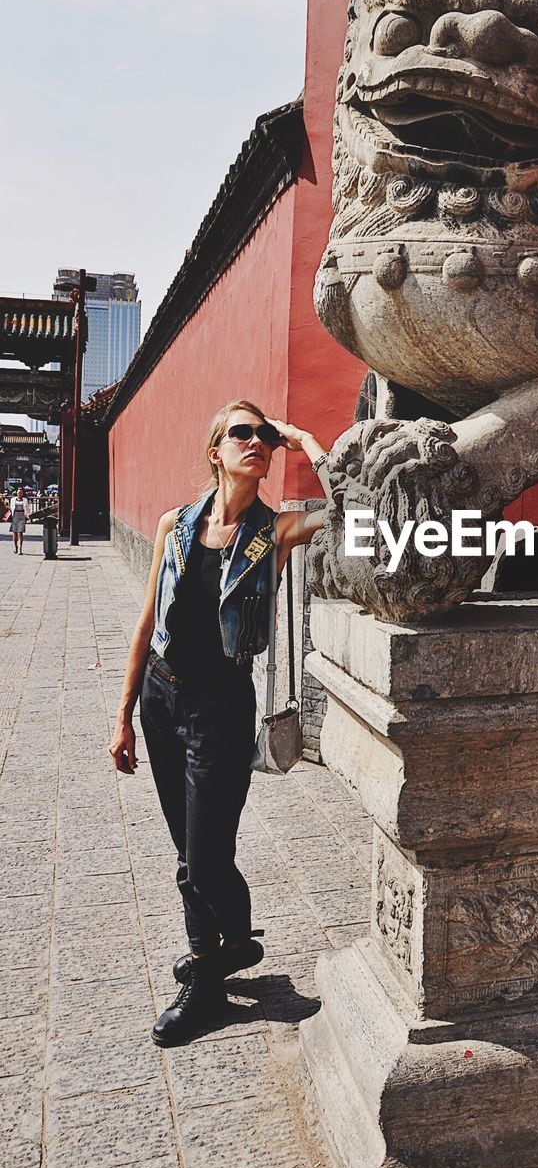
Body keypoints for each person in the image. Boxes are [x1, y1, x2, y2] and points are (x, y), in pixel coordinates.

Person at [108, 400, 333, 1046]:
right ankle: (215, 963)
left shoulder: (276, 532)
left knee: (207, 857)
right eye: (243, 432)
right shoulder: (174, 526)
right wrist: (122, 713)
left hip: (223, 708)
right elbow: (148, 621)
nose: (256, 441)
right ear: (216, 451)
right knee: (188, 852)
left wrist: (308, 439)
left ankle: (219, 962)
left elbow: (359, 511)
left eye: (265, 435)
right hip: (162, 696)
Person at [9, 488, 31, 554]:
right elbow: (11, 507)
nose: (19, 494)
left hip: (22, 517)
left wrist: (29, 516)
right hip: (15, 516)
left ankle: (20, 549)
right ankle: (16, 547)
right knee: (15, 533)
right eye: (18, 493)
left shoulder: (25, 500)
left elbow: (27, 509)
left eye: (21, 493)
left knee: (20, 532)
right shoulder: (13, 500)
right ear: (17, 493)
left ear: (23, 493)